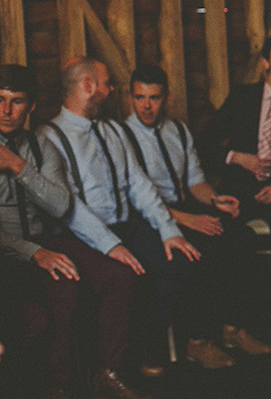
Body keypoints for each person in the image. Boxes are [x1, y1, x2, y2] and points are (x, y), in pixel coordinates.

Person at [37, 57, 200, 388]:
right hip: (83, 235)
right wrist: (111, 245)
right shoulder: (49, 136)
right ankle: (115, 365)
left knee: (180, 262)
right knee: (125, 275)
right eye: (107, 83)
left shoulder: (113, 129)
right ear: (88, 85)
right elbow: (69, 208)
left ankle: (139, 343)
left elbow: (140, 185)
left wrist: (169, 231)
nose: (112, 90)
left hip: (129, 224)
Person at [0, 64, 140, 399]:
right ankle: (58, 386)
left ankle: (108, 371)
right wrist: (35, 253)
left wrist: (18, 166)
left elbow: (62, 205)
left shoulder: (38, 145)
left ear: (31, 106)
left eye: (16, 101)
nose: (6, 110)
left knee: (117, 276)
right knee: (63, 286)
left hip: (43, 237)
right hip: (8, 250)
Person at [122, 65, 271, 370]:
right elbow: (134, 199)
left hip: (184, 205)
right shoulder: (121, 137)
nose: (147, 105)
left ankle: (232, 328)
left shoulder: (177, 129)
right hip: (148, 217)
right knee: (200, 250)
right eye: (140, 98)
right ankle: (198, 342)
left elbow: (195, 182)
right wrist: (187, 220)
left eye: (154, 97)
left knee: (241, 238)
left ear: (166, 97)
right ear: (130, 98)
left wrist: (215, 200)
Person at [199, 32, 271, 245]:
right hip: (238, 187)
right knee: (220, 231)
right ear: (265, 62)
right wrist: (237, 157)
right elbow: (205, 143)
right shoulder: (242, 98)